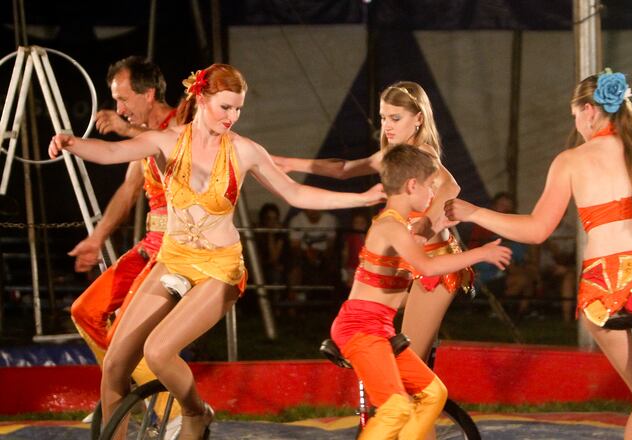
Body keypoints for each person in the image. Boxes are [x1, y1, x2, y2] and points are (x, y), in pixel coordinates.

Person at [49, 63, 385, 439]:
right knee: (114, 365)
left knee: (158, 352)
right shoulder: (166, 141)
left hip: (218, 269)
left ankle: (195, 411)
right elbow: (113, 152)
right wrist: (71, 144)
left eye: (238, 109)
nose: (232, 117)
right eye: (225, 107)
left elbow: (296, 193)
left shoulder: (244, 151)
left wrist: (361, 198)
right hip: (173, 259)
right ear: (202, 99)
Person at [444, 69, 632, 440]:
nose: (576, 124)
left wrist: (474, 212)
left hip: (602, 290)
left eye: (575, 115)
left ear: (588, 110)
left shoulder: (570, 161)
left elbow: (535, 230)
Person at [274, 81, 473, 366]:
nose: (387, 126)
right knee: (371, 310)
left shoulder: (422, 152)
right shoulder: (391, 157)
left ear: (418, 118)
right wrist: (290, 163)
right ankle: (362, 348)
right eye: (383, 118)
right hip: (409, 266)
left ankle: (373, 358)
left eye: (395, 118)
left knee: (411, 363)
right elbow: (343, 169)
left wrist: (426, 224)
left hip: (434, 266)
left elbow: (451, 186)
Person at [330, 144, 511, 439]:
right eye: (430, 187)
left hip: (379, 329)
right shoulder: (390, 226)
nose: (433, 196)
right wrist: (481, 254)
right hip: (360, 329)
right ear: (412, 185)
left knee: (433, 393)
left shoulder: (401, 227)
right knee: (395, 408)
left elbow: (417, 248)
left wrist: (438, 224)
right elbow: (426, 267)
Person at [67, 56, 180, 431]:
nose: (119, 109)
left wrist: (126, 130)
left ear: (148, 95)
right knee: (85, 311)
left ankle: (175, 414)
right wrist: (96, 239)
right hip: (150, 245)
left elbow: (175, 146)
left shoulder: (181, 124)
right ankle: (118, 394)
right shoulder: (143, 137)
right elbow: (129, 190)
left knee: (124, 335)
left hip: (179, 250)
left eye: (123, 99)